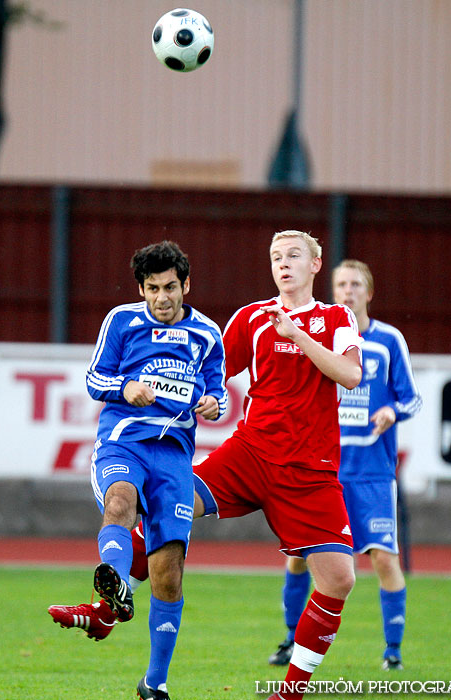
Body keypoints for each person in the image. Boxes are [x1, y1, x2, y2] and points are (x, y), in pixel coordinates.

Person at [52, 231, 363, 700]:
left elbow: (351, 376)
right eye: (276, 256)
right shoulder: (252, 318)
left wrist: (297, 335)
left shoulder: (335, 317)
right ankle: (107, 605)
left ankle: (290, 692)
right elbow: (210, 375)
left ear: (316, 265)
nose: (283, 263)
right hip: (250, 454)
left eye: (294, 256)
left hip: (309, 470)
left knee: (340, 579)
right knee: (168, 512)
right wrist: (203, 399)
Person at [48, 240, 227, 700]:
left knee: (168, 573)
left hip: (174, 457)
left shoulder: (207, 333)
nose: (162, 298)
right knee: (120, 502)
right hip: (123, 441)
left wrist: (213, 403)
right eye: (152, 288)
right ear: (141, 288)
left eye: (170, 287)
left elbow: (218, 390)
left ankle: (155, 683)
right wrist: (126, 387)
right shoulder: (121, 321)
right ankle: (116, 588)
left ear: (186, 285)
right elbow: (94, 378)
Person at [268, 259, 422, 672]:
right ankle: (288, 638)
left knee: (384, 558)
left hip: (372, 473)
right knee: (300, 556)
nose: (348, 291)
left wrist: (391, 410)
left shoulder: (388, 341)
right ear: (332, 290)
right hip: (323, 470)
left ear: (368, 293)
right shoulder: (318, 338)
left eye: (356, 284)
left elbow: (412, 399)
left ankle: (392, 650)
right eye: (341, 285)